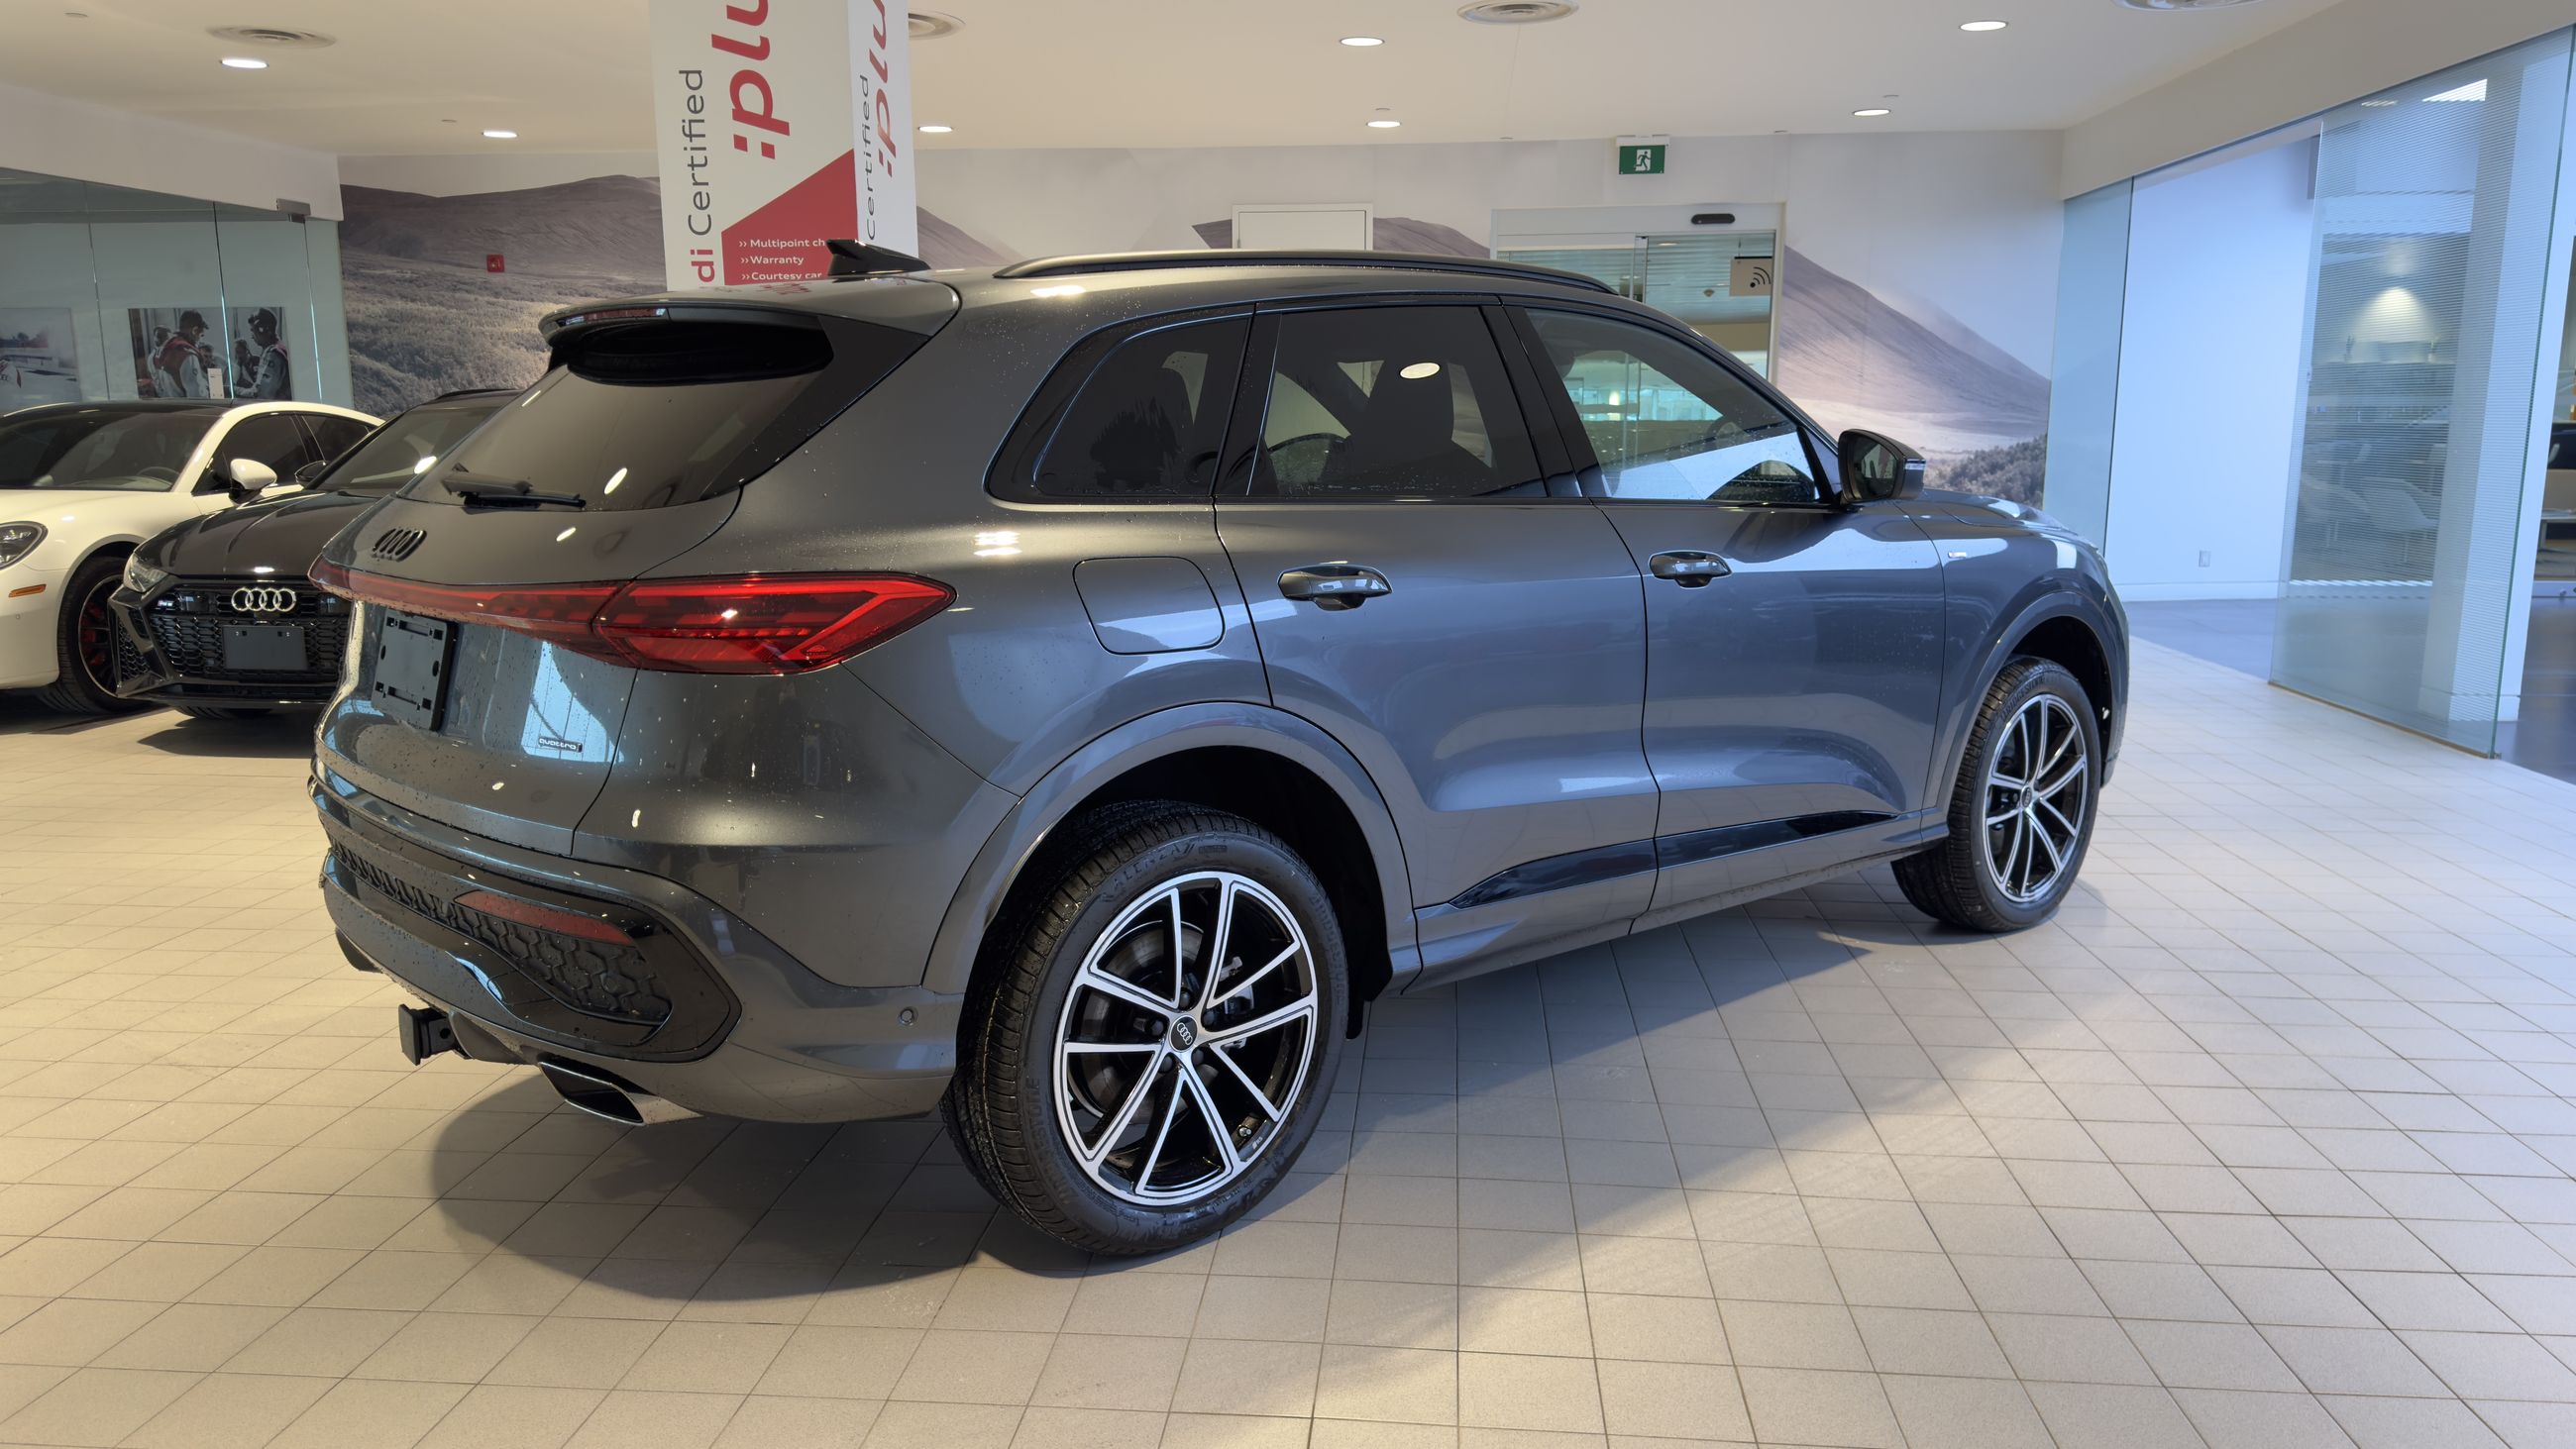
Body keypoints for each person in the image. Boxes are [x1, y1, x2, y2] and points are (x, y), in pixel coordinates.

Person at [152, 312, 211, 398]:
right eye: (201, 335)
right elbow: (197, 396)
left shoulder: (159, 352)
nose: (200, 340)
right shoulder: (187, 355)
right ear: (194, 331)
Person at [242, 309, 291, 400]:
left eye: (253, 330)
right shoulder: (278, 348)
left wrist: (233, 390)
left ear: (262, 330)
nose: (251, 336)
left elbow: (262, 393)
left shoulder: (273, 354)